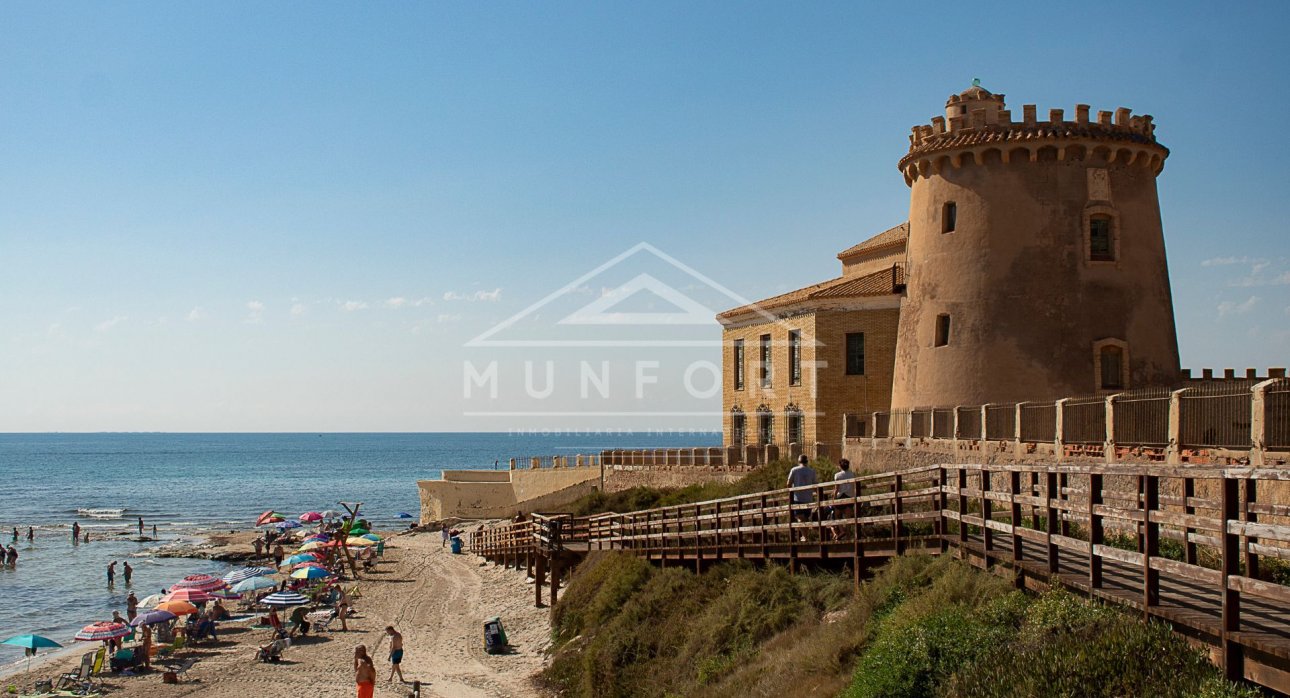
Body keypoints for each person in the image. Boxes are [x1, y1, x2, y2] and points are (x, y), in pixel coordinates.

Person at [830, 459, 858, 541]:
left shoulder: (837, 475)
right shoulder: (852, 474)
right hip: (849, 497)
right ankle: (848, 537)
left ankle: (842, 531)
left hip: (840, 497)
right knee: (848, 519)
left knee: (837, 516)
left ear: (840, 466)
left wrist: (834, 498)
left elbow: (836, 488)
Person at [786, 455, 818, 528]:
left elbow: (788, 483)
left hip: (797, 498)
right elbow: (815, 485)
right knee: (805, 518)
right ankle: (805, 537)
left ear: (798, 461)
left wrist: (791, 493)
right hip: (808, 498)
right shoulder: (812, 471)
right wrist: (818, 496)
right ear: (807, 462)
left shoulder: (794, 470)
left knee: (800, 517)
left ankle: (805, 537)